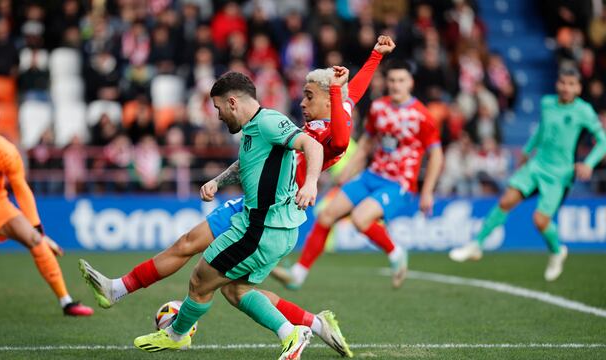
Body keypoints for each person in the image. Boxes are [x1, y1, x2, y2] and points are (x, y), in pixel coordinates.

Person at [79, 35, 395, 357]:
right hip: (251, 202)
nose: (301, 103)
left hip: (273, 208)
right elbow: (349, 94)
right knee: (190, 247)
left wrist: (311, 181)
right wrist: (374, 56)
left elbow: (339, 128)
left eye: (309, 97)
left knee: (224, 284)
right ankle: (117, 289)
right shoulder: (301, 119)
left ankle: (194, 331)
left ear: (328, 100)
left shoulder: (327, 132)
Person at [131, 72, 323, 359]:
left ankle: (177, 335)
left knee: (199, 280)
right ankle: (290, 333)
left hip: (260, 228)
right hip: (270, 229)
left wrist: (310, 184)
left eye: (219, 108)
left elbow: (313, 145)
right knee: (236, 290)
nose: (219, 116)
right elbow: (247, 163)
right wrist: (218, 181)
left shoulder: (270, 121)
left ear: (232, 102)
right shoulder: (252, 128)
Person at [273, 60, 444, 290]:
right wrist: (348, 171)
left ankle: (396, 252)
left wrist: (427, 192)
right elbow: (365, 144)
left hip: (399, 182)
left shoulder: (421, 116)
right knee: (326, 215)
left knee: (360, 219)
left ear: (410, 83)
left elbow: (436, 155)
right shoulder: (378, 108)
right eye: (392, 80)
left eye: (401, 81)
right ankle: (299, 274)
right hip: (371, 175)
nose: (395, 85)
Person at [449, 66, 606, 281]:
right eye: (563, 83)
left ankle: (557, 251)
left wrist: (588, 164)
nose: (566, 88)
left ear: (579, 88)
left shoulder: (584, 111)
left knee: (540, 221)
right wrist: (526, 150)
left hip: (559, 174)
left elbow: (603, 142)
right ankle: (477, 244)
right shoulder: (547, 103)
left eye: (572, 84)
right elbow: (542, 130)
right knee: (506, 201)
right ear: (557, 84)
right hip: (537, 165)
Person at [0, 104, 93, 316]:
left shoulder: (6, 152)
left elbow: (21, 189)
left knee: (36, 241)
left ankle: (67, 302)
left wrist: (40, 232)